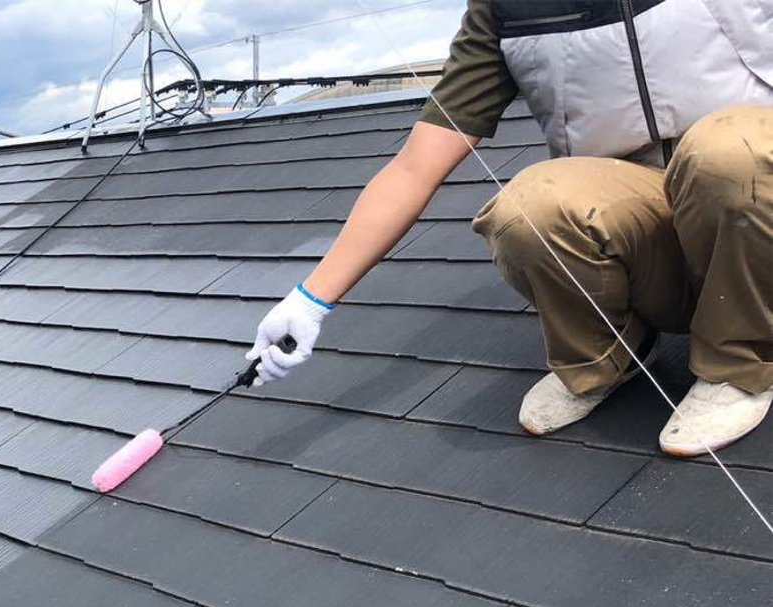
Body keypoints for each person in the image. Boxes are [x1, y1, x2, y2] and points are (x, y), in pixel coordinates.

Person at [247, 0, 773, 456]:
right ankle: (606, 356)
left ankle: (739, 365)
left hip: (759, 216)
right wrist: (310, 300)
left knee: (731, 152)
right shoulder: (507, 6)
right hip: (655, 238)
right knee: (528, 207)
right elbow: (414, 166)